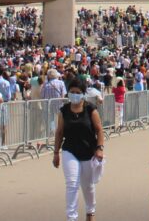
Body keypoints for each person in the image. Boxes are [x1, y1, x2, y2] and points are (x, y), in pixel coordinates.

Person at [53, 76, 105, 221]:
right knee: (72, 184)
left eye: (77, 92)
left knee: (88, 186)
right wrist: (56, 152)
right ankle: (72, 217)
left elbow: (99, 130)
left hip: (88, 151)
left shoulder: (90, 109)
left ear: (83, 93)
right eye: (72, 91)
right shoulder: (64, 110)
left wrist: (100, 148)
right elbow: (59, 132)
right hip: (69, 150)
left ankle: (90, 211)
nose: (74, 94)